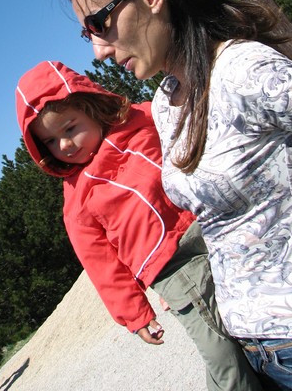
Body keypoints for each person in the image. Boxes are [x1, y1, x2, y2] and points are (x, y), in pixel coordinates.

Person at [64, 0, 292, 390]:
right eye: (88, 34)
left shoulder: (243, 71)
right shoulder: (166, 102)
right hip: (252, 349)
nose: (98, 50)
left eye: (99, 25)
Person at [15, 60, 263, 391]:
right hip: (173, 271)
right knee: (222, 353)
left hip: (215, 229)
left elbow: (193, 127)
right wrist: (134, 314)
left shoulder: (142, 119)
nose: (64, 145)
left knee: (258, 324)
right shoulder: (77, 198)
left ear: (92, 107)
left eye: (70, 128)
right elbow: (100, 262)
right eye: (49, 142)